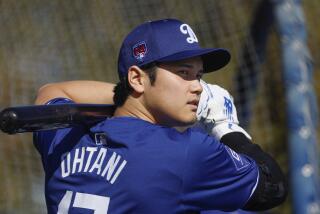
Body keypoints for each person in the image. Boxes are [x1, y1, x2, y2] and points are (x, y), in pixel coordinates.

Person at [34, 18, 287, 213]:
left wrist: (128, 96)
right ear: (136, 77)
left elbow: (51, 91)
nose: (198, 87)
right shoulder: (187, 151)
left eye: (199, 76)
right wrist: (226, 126)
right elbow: (272, 187)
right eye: (184, 73)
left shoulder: (63, 138)